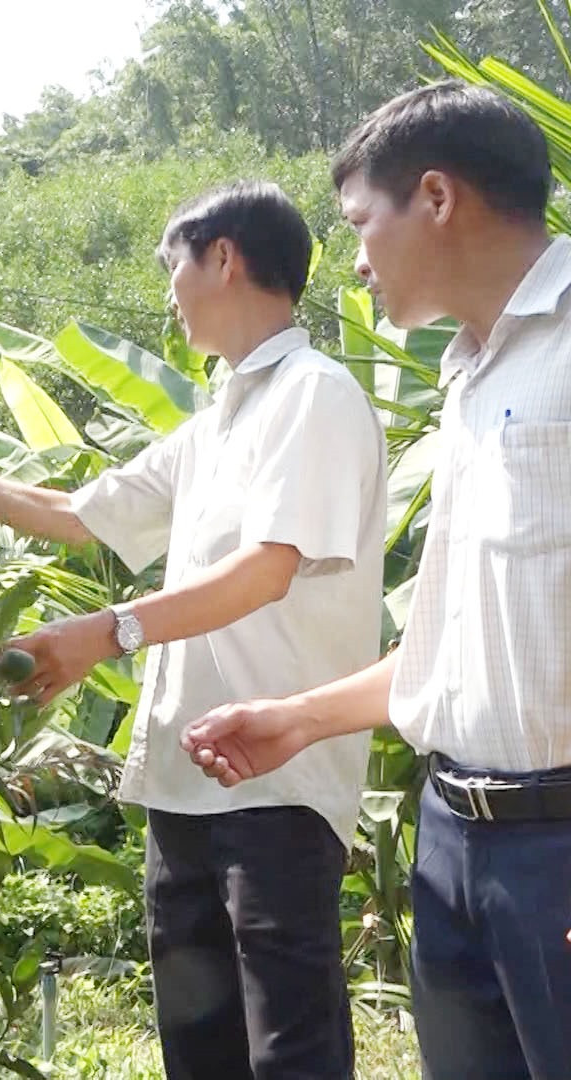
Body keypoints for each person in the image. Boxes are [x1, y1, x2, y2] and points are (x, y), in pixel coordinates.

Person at [0, 181, 386, 1079]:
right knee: (199, 1048)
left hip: (276, 790)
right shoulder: (214, 424)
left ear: (224, 257)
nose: (168, 295)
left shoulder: (313, 396)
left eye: (174, 267)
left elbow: (266, 570)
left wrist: (108, 632)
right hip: (181, 790)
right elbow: (76, 511)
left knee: (289, 1050)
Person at [181, 82, 571, 1080]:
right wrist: (305, 717)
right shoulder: (472, 375)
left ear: (436, 197)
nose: (353, 258)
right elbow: (460, 646)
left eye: (362, 222)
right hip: (457, 844)